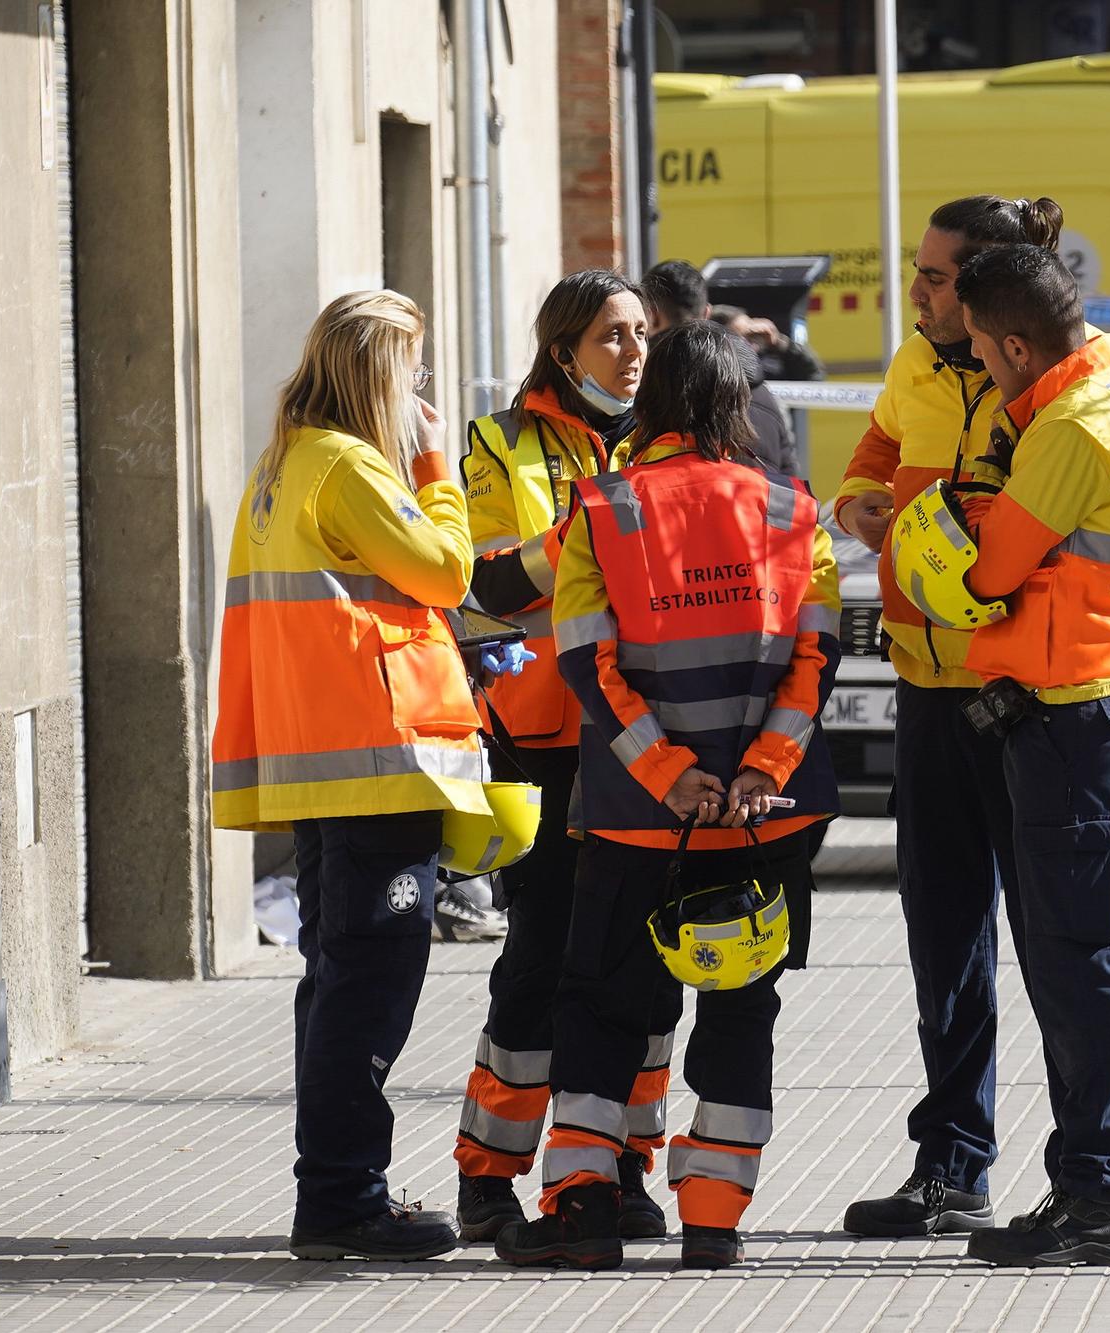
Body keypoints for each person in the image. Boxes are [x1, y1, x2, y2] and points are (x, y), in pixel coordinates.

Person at [833, 196, 1110, 1246]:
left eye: (942, 282)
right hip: (957, 684)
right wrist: (863, 497)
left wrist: (1091, 561)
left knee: (1072, 949)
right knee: (972, 938)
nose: (924, 298)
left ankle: (1105, 1182)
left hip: (1053, 696)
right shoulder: (925, 369)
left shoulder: (1085, 398)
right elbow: (879, 455)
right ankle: (978, 1167)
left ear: (1003, 308)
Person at [498, 319, 840, 1271]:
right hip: (764, 825)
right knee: (740, 1009)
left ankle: (584, 1210)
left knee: (605, 1008)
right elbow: (815, 662)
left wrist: (670, 776)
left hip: (637, 822)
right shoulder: (791, 510)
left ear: (652, 406)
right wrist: (756, 775)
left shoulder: (603, 509)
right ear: (735, 406)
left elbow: (587, 665)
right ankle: (717, 1221)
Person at [211, 289, 484, 1261]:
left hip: (321, 766)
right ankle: (341, 1198)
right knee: (368, 985)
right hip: (375, 763)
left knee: (333, 981)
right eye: (410, 370)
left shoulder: (282, 462)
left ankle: (334, 1190)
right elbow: (446, 571)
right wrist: (433, 463)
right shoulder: (351, 467)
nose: (419, 388)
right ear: (380, 375)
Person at [940, 242, 1110, 1265]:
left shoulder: (1067, 425)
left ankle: (1097, 1197)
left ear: (1009, 343)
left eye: (983, 358)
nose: (984, 375)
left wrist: (966, 525)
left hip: (1069, 713)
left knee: (1078, 961)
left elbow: (992, 567)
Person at [450, 271, 669, 1243]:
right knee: (538, 960)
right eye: (611, 337)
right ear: (563, 350)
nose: (631, 352)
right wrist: (586, 527)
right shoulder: (501, 442)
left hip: (644, 737)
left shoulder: (669, 439)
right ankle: (488, 1177)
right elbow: (486, 584)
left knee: (643, 963)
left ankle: (618, 1166)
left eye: (640, 334)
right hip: (539, 740)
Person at [639, 259, 802, 476]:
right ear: (706, 313)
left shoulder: (648, 386)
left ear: (651, 316)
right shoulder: (762, 392)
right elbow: (790, 479)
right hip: (760, 507)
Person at [711, 303, 826, 384]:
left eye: (753, 336)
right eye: (741, 339)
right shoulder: (710, 372)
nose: (752, 345)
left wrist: (780, 343)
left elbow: (814, 376)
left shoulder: (768, 367)